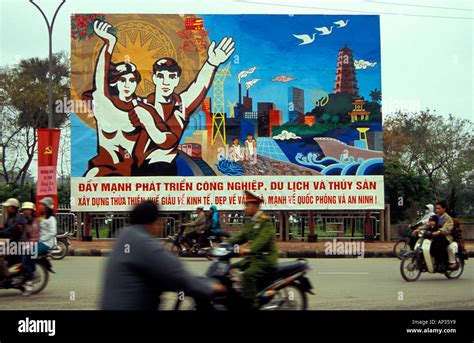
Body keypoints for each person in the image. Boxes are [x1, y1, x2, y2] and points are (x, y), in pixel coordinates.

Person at [136, 36, 235, 176]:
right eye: (161, 76)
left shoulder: (181, 105)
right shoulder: (141, 105)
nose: (166, 82)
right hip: (140, 172)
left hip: (167, 170)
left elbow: (199, 86)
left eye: (171, 77)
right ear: (154, 78)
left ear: (177, 80)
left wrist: (212, 63)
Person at [101, 200, 225, 310]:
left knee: (189, 235)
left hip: (201, 232)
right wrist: (211, 287)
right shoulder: (143, 242)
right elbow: (176, 274)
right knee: (188, 236)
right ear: (154, 222)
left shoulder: (124, 236)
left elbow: (164, 274)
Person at [227, 191, 278, 310]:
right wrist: (224, 244)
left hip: (265, 259)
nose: (245, 207)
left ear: (256, 206)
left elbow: (262, 240)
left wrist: (249, 249)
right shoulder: (251, 221)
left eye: (247, 205)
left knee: (248, 275)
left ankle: (251, 304)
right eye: (245, 204)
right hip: (253, 258)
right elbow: (241, 237)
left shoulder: (265, 221)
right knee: (230, 269)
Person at [0, 198, 26, 282]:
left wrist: (2, 232)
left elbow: (12, 230)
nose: (6, 209)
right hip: (12, 242)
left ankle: (6, 276)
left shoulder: (19, 218)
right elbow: (5, 229)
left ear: (13, 208)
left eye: (8, 207)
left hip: (19, 244)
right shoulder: (10, 217)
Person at [20, 202, 40, 295]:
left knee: (25, 261)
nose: (26, 211)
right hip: (26, 243)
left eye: (27, 210)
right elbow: (23, 234)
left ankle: (29, 282)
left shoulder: (36, 221)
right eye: (24, 210)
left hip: (35, 243)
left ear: (32, 211)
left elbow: (36, 235)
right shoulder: (24, 221)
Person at [429, 201, 455, 270]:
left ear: (444, 209)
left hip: (445, 237)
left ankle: (442, 263)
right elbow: (428, 224)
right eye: (436, 208)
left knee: (438, 244)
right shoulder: (435, 217)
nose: (437, 210)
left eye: (439, 208)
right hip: (435, 236)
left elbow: (447, 228)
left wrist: (439, 231)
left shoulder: (448, 218)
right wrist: (418, 229)